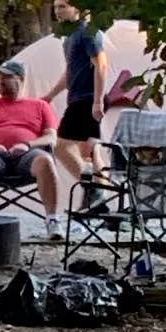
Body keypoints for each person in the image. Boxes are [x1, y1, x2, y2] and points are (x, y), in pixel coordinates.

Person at [0, 59, 66, 219]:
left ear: (21, 79)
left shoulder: (40, 106)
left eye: (7, 77)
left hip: (28, 156)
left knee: (46, 161)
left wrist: (27, 145)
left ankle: (52, 219)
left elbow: (51, 138)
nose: (1, 82)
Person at [54, 15, 108, 196]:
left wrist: (98, 101)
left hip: (88, 98)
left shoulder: (87, 32)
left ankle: (96, 193)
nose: (57, 10)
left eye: (62, 7)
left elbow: (101, 65)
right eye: (56, 7)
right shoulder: (69, 37)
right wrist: (50, 95)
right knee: (88, 151)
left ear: (77, 9)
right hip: (77, 99)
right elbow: (70, 73)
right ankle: (98, 196)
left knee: (68, 147)